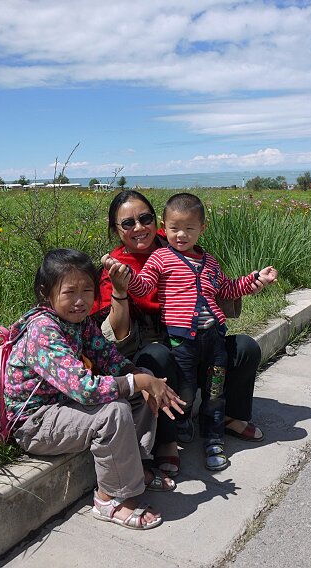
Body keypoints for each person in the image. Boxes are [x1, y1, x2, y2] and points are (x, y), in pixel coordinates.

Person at [4, 248, 184, 531]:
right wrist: (138, 382)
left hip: (66, 407)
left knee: (142, 382)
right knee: (114, 411)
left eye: (88, 290)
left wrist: (141, 376)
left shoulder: (81, 324)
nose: (80, 301)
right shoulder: (43, 330)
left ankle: (136, 466)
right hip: (36, 423)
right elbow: (85, 389)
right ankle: (110, 498)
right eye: (69, 292)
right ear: (45, 293)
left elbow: (109, 358)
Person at [94, 190, 272, 476]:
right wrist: (121, 287)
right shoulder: (124, 266)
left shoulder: (187, 250)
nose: (139, 228)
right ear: (116, 230)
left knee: (244, 348)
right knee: (158, 358)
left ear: (157, 221)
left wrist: (253, 281)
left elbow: (221, 288)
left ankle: (225, 418)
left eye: (145, 218)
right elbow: (122, 323)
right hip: (156, 343)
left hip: (204, 337)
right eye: (128, 223)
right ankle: (168, 437)